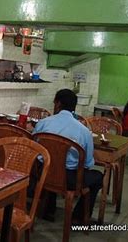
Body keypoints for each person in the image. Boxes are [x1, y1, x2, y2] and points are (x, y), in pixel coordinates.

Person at [33, 89, 103, 223]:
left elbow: (35, 149)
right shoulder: (84, 131)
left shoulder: (43, 123)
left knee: (52, 164)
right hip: (70, 180)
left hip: (44, 173)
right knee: (98, 177)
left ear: (58, 104)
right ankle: (78, 217)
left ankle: (48, 210)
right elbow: (88, 163)